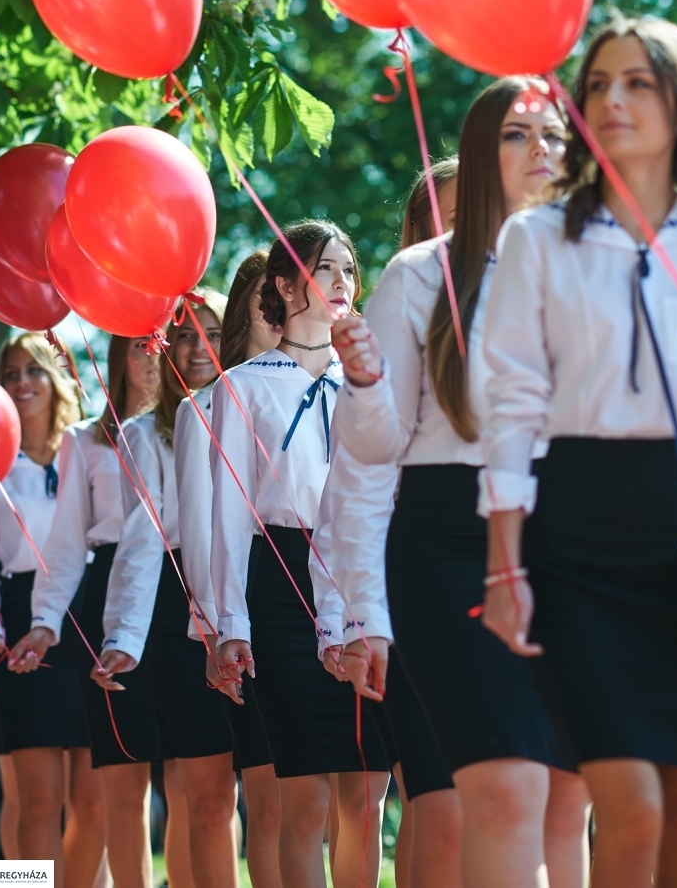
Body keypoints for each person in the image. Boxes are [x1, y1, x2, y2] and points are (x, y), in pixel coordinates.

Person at [481, 18, 677, 888]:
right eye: (598, 84)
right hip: (576, 532)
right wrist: (504, 566)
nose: (613, 99)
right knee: (632, 806)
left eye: (638, 82)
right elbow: (512, 407)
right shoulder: (537, 239)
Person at [331, 79, 591, 888]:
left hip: (573, 534)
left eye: (555, 134)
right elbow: (371, 455)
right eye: (517, 133)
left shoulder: (600, 265)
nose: (542, 149)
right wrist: (364, 611)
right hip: (448, 541)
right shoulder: (419, 274)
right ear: (480, 153)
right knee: (506, 790)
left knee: (570, 798)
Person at [210, 223, 392, 888]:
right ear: (286, 286)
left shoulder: (372, 379)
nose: (343, 281)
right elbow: (229, 515)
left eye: (349, 268)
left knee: (367, 794)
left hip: (362, 574)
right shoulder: (243, 386)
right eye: (326, 268)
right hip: (282, 580)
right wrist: (229, 625)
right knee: (306, 797)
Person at [315, 163, 463, 888]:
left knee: (537, 797)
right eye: (455, 218)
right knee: (437, 798)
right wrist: (357, 617)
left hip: (524, 567)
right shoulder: (400, 309)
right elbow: (356, 483)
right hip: (421, 572)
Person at [93, 294, 239, 888]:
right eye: (183, 335)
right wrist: (123, 637)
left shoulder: (254, 409)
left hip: (257, 596)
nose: (198, 347)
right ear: (165, 348)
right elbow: (141, 540)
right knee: (205, 796)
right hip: (180, 615)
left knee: (266, 789)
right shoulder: (142, 433)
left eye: (212, 333)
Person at [9, 334, 161, 888]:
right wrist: (36, 622)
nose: (157, 352)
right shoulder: (75, 442)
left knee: (111, 796)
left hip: (156, 595)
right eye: (141, 344)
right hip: (45, 610)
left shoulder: (192, 426)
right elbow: (61, 544)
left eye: (34, 370)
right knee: (32, 798)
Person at [0, 333, 106, 888]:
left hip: (89, 616)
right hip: (21, 623)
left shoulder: (89, 447)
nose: (22, 382)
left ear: (56, 379)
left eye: (34, 370)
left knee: (95, 801)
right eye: (11, 372)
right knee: (38, 800)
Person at [178, 252, 283, 888]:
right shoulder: (206, 407)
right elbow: (201, 531)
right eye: (268, 297)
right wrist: (216, 630)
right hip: (250, 605)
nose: (283, 309)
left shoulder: (334, 389)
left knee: (335, 795)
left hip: (324, 602)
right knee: (269, 799)